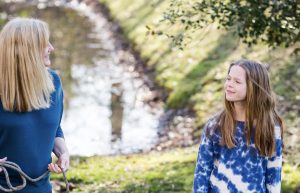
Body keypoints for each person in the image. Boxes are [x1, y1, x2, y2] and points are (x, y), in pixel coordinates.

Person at [0, 17, 69, 193]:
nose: (51, 48)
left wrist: (63, 153)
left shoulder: (53, 82)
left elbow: (54, 127)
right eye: (45, 43)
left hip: (41, 188)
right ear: (26, 50)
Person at [193, 60, 283, 193]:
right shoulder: (214, 127)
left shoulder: (270, 128)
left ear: (254, 88)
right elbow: (201, 174)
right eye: (228, 79)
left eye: (237, 81)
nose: (229, 84)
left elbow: (273, 177)